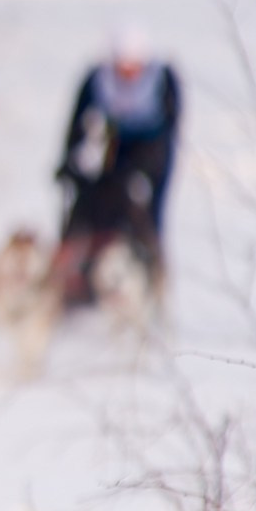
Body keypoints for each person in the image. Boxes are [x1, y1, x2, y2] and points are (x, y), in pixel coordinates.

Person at [53, 25, 181, 305]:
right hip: (108, 153)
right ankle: (70, 280)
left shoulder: (162, 81)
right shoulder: (97, 80)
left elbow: (169, 133)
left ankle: (152, 279)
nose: (127, 72)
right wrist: (69, 162)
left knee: (143, 214)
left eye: (133, 66)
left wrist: (146, 170)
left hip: (148, 156)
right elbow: (77, 125)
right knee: (84, 204)